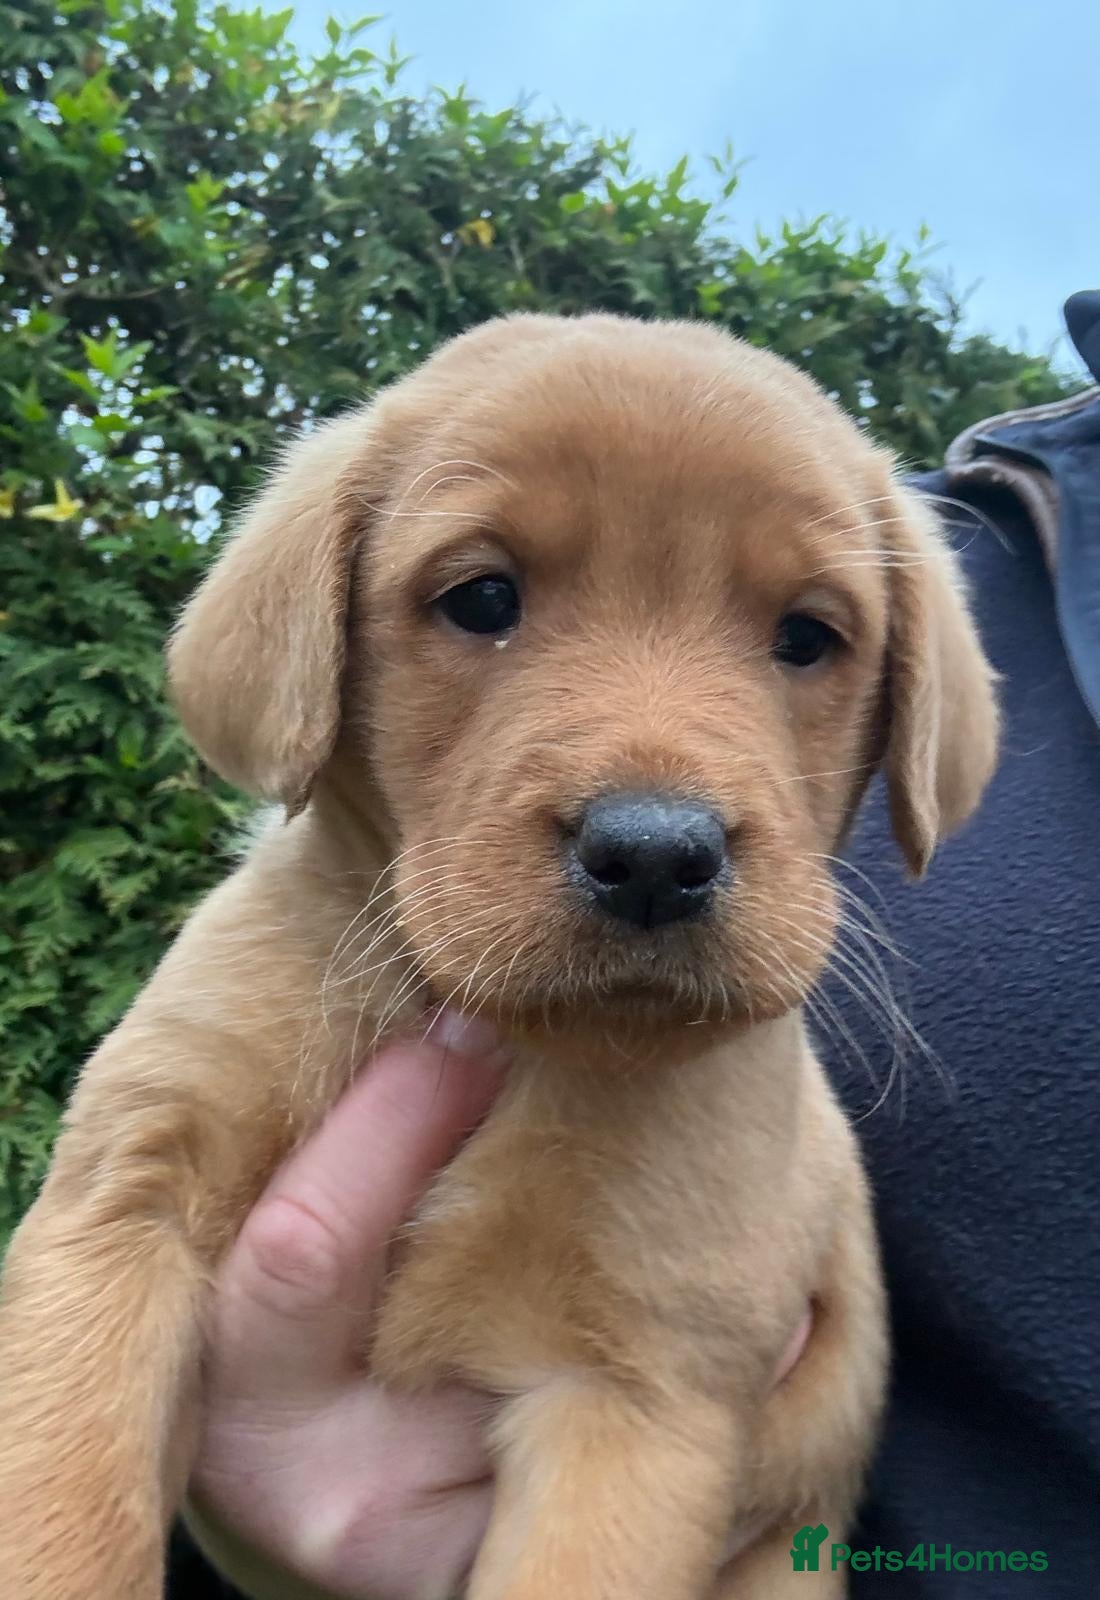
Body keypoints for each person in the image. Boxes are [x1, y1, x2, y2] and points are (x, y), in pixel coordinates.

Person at [171, 295, 1100, 1598]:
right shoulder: (964, 536)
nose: (665, 817)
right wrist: (238, 1524)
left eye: (802, 641)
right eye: (483, 597)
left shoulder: (905, 575)